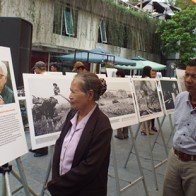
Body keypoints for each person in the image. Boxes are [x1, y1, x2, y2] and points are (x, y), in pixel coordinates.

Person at [47, 72, 112, 196]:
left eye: (74, 92)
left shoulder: (102, 126)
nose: (70, 96)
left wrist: (58, 185)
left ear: (90, 95)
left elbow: (89, 168)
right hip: (62, 187)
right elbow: (60, 144)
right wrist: (56, 178)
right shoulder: (72, 113)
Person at [162, 58, 196, 196]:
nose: (188, 80)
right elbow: (178, 127)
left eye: (194, 76)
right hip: (174, 158)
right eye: (186, 75)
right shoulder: (181, 98)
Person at [30, 61, 48, 157]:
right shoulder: (38, 77)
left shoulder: (44, 78)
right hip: (38, 106)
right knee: (36, 126)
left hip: (42, 108)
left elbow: (44, 95)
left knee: (41, 125)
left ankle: (43, 150)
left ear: (39, 68)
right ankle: (37, 147)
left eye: (35, 69)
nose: (35, 70)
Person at [140, 66, 157, 135]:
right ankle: (146, 130)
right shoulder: (147, 79)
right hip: (148, 99)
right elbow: (150, 89)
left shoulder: (142, 78)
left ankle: (145, 129)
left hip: (144, 99)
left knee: (145, 114)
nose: (151, 72)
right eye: (150, 70)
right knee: (148, 115)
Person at [114, 70, 129, 139]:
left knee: (118, 118)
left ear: (119, 75)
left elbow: (117, 94)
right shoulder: (127, 81)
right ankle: (125, 134)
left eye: (117, 75)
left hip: (120, 102)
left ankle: (119, 134)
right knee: (126, 118)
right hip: (126, 102)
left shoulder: (118, 82)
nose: (116, 76)